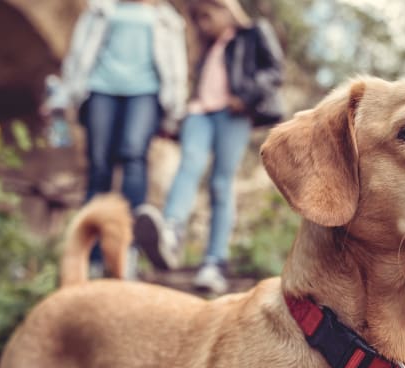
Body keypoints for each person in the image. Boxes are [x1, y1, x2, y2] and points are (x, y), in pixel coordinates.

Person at [134, 0, 284, 293]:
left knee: (220, 183)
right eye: (199, 19)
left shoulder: (254, 33)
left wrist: (247, 96)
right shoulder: (207, 49)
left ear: (226, 8)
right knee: (189, 164)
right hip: (199, 113)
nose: (204, 24)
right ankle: (171, 233)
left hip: (233, 114)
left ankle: (214, 262)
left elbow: (274, 70)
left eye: (207, 15)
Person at [44, 0, 188, 278]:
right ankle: (92, 256)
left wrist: (176, 107)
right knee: (99, 165)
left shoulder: (166, 18)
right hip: (100, 89)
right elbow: (77, 55)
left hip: (145, 93)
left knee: (134, 157)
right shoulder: (100, 9)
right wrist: (64, 96)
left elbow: (175, 65)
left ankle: (127, 252)